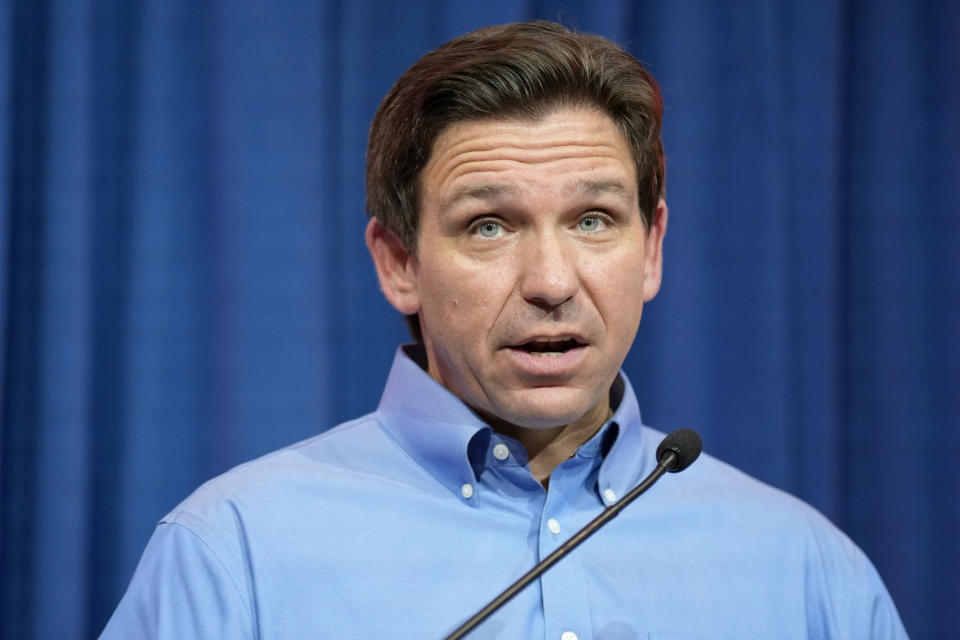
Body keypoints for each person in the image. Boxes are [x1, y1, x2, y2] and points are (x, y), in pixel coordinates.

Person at [101, 21, 907, 639]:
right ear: (398, 263)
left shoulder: (808, 574)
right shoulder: (230, 555)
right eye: (489, 226)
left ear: (652, 248)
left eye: (594, 220)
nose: (553, 283)